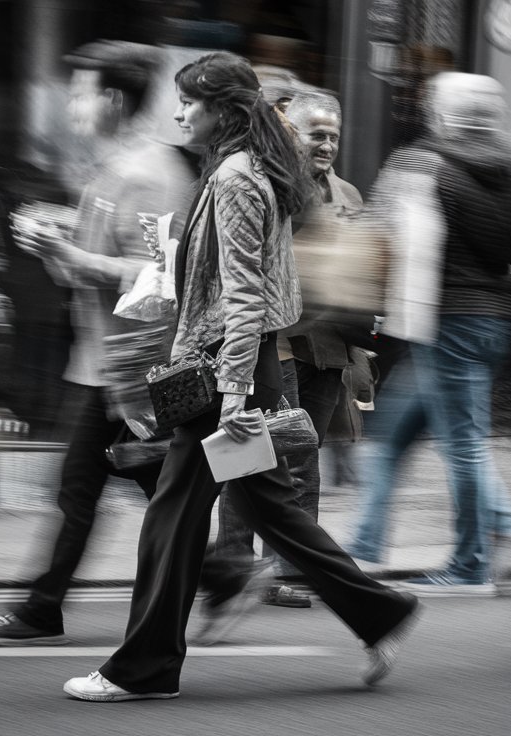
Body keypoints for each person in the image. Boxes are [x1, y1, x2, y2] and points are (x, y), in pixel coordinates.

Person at [62, 51, 418, 702]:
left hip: (228, 373)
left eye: (188, 103)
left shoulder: (234, 177)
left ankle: (142, 669)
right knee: (268, 509)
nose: (176, 113)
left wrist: (231, 398)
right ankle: (379, 612)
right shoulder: (250, 169)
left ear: (224, 110)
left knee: (173, 516)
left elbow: (246, 294)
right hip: (244, 366)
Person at [0, 41, 207, 645]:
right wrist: (65, 234)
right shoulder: (110, 172)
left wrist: (71, 254)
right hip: (104, 364)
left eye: (79, 94)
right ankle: (48, 605)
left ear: (112, 101)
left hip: (137, 369)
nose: (71, 107)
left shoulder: (148, 175)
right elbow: (111, 255)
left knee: (121, 489)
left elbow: (158, 276)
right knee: (118, 489)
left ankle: (45, 607)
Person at [345, 73, 511, 590]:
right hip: (501, 322)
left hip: (446, 321)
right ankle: (365, 542)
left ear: (439, 114)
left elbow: (379, 235)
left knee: (463, 444)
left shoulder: (422, 161)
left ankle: (474, 560)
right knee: (392, 432)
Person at [215, 89, 366, 609]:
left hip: (328, 347)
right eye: (315, 133)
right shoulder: (274, 186)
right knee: (259, 458)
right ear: (289, 131)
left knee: (306, 458)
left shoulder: (348, 195)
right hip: (276, 343)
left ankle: (290, 570)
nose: (326, 144)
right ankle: (235, 563)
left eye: (334, 135)